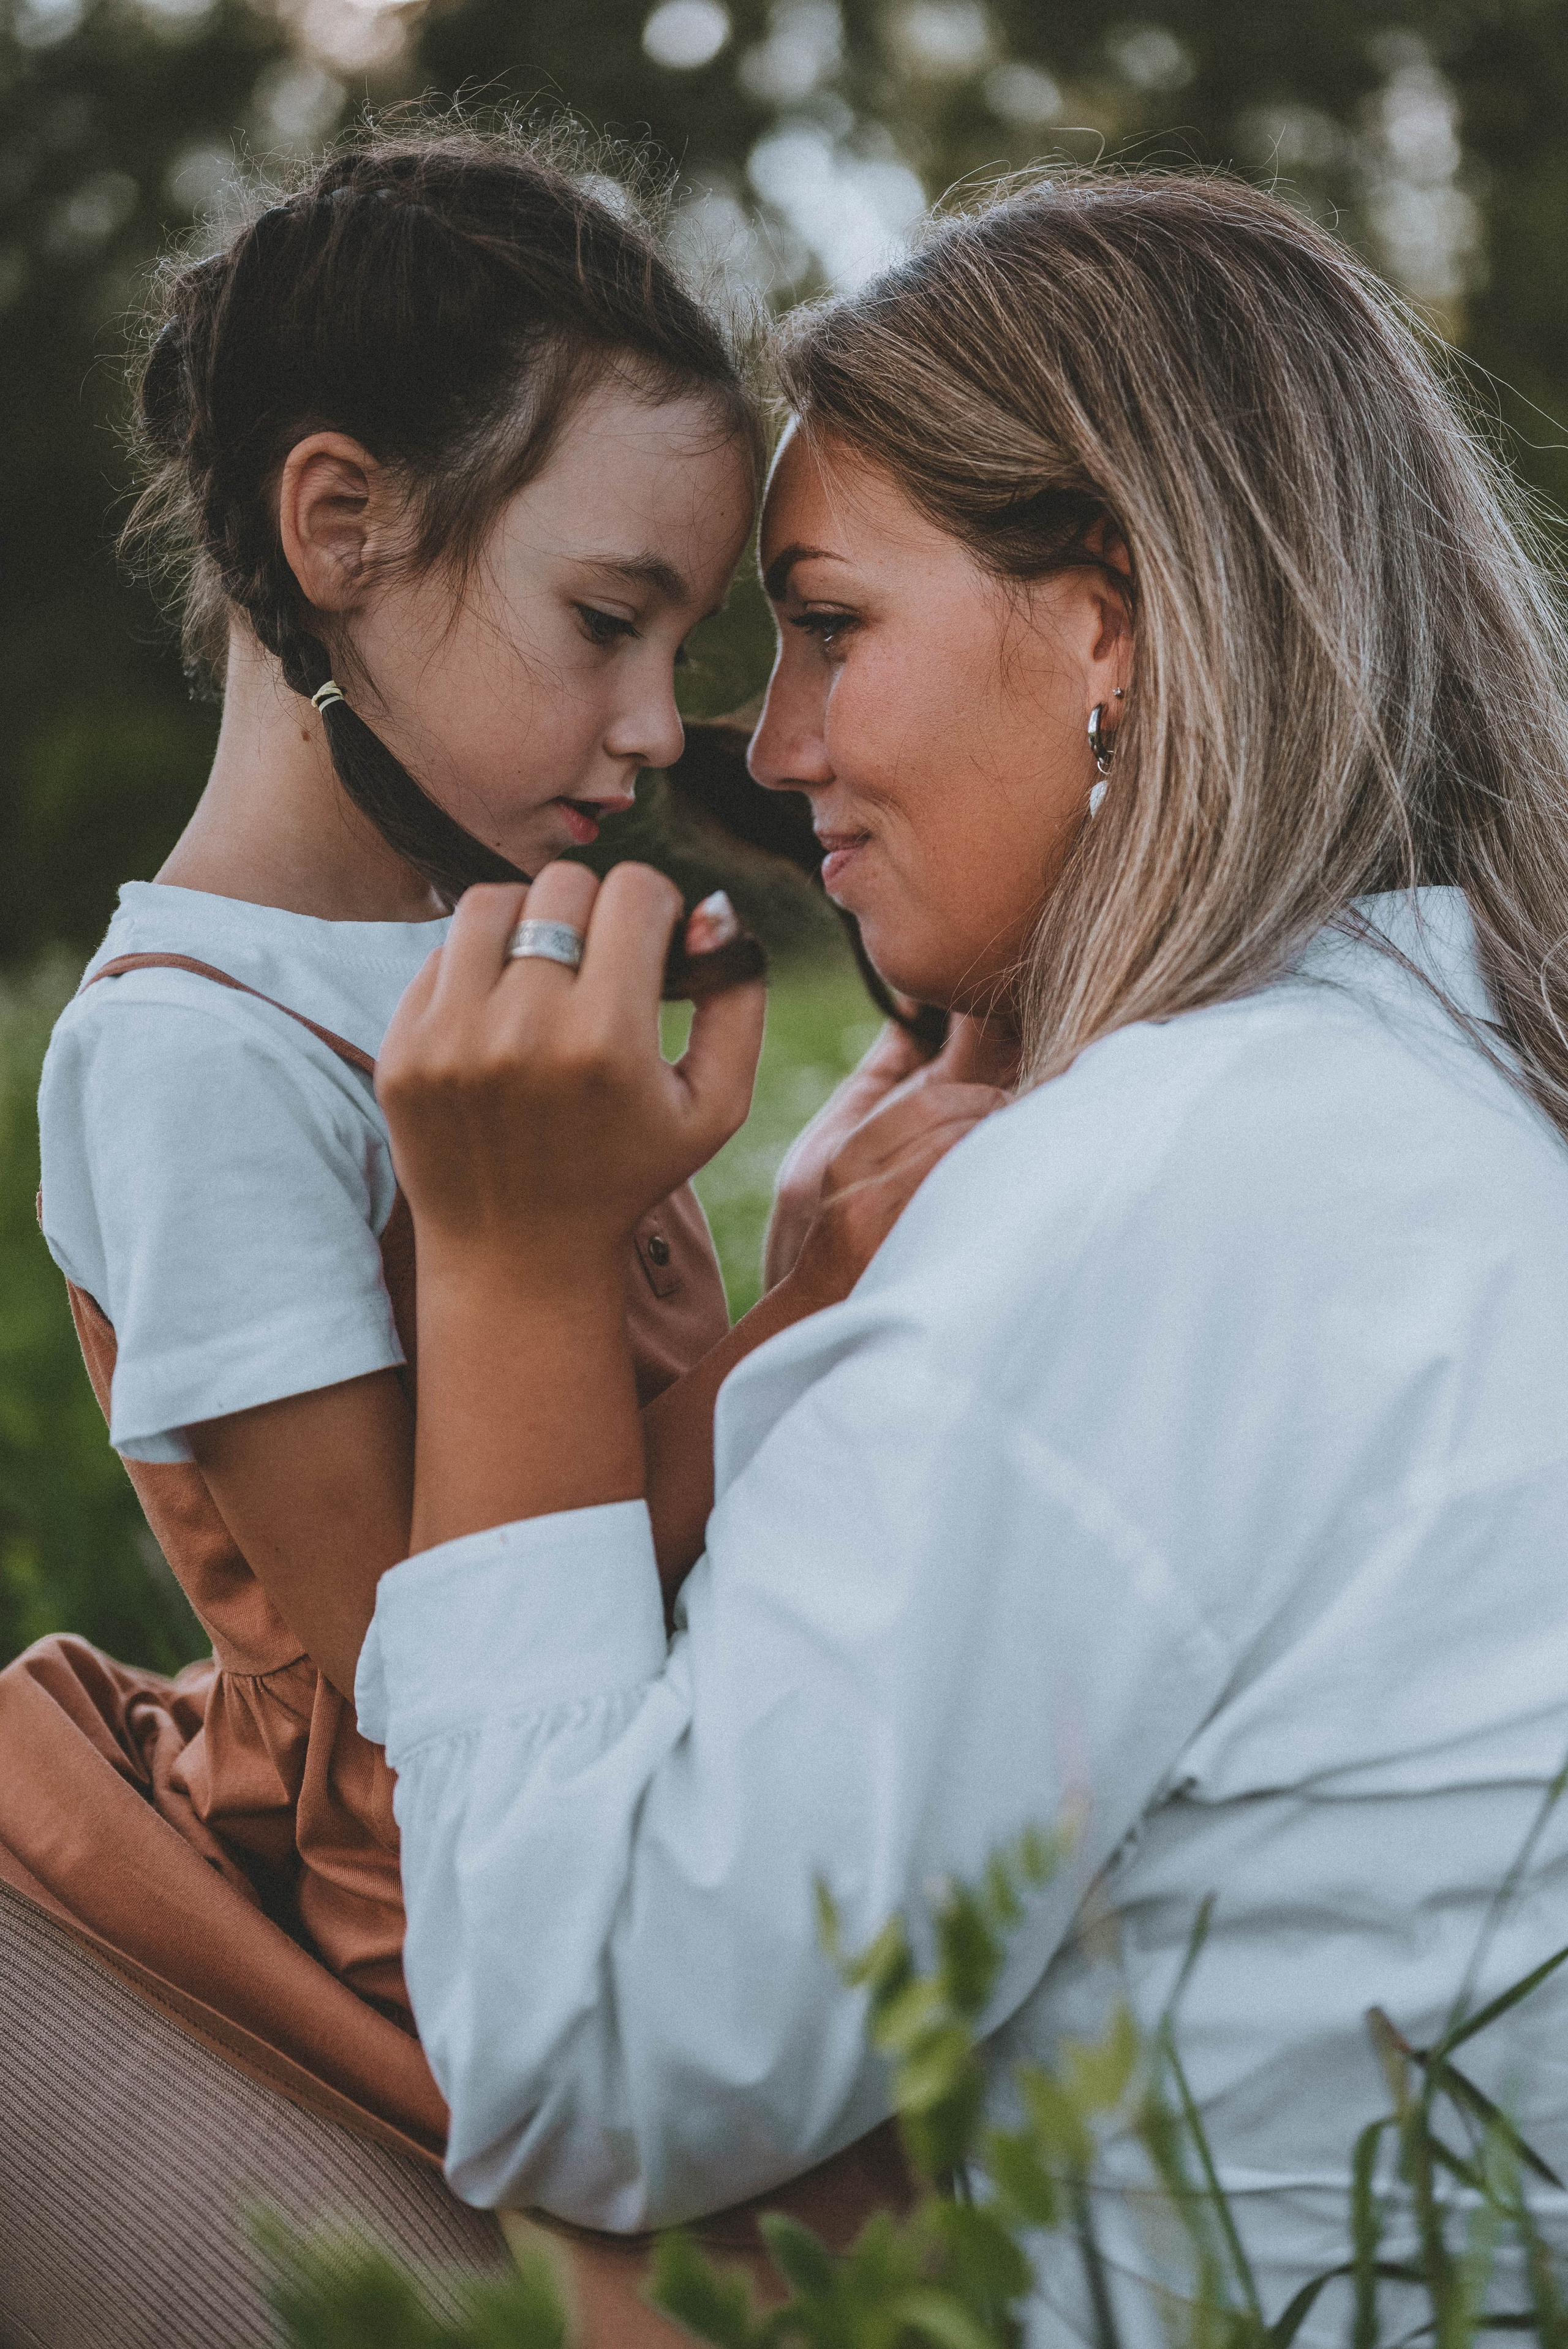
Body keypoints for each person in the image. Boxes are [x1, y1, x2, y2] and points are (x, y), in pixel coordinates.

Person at [358, 172, 1568, 2343]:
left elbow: (581, 2050)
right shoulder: (1455, 1072)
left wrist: (512, 1278)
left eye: (828, 625)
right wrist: (827, 1299)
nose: (779, 742)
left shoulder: (1164, 1183)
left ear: (1108, 619)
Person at [0, 116, 994, 2255]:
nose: (655, 726)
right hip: (444, 1893)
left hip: (635, 1731)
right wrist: (825, 1300)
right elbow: (423, 1648)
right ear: (340, 524)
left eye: (687, 642)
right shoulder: (195, 1053)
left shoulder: (493, 929)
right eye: (607, 619)